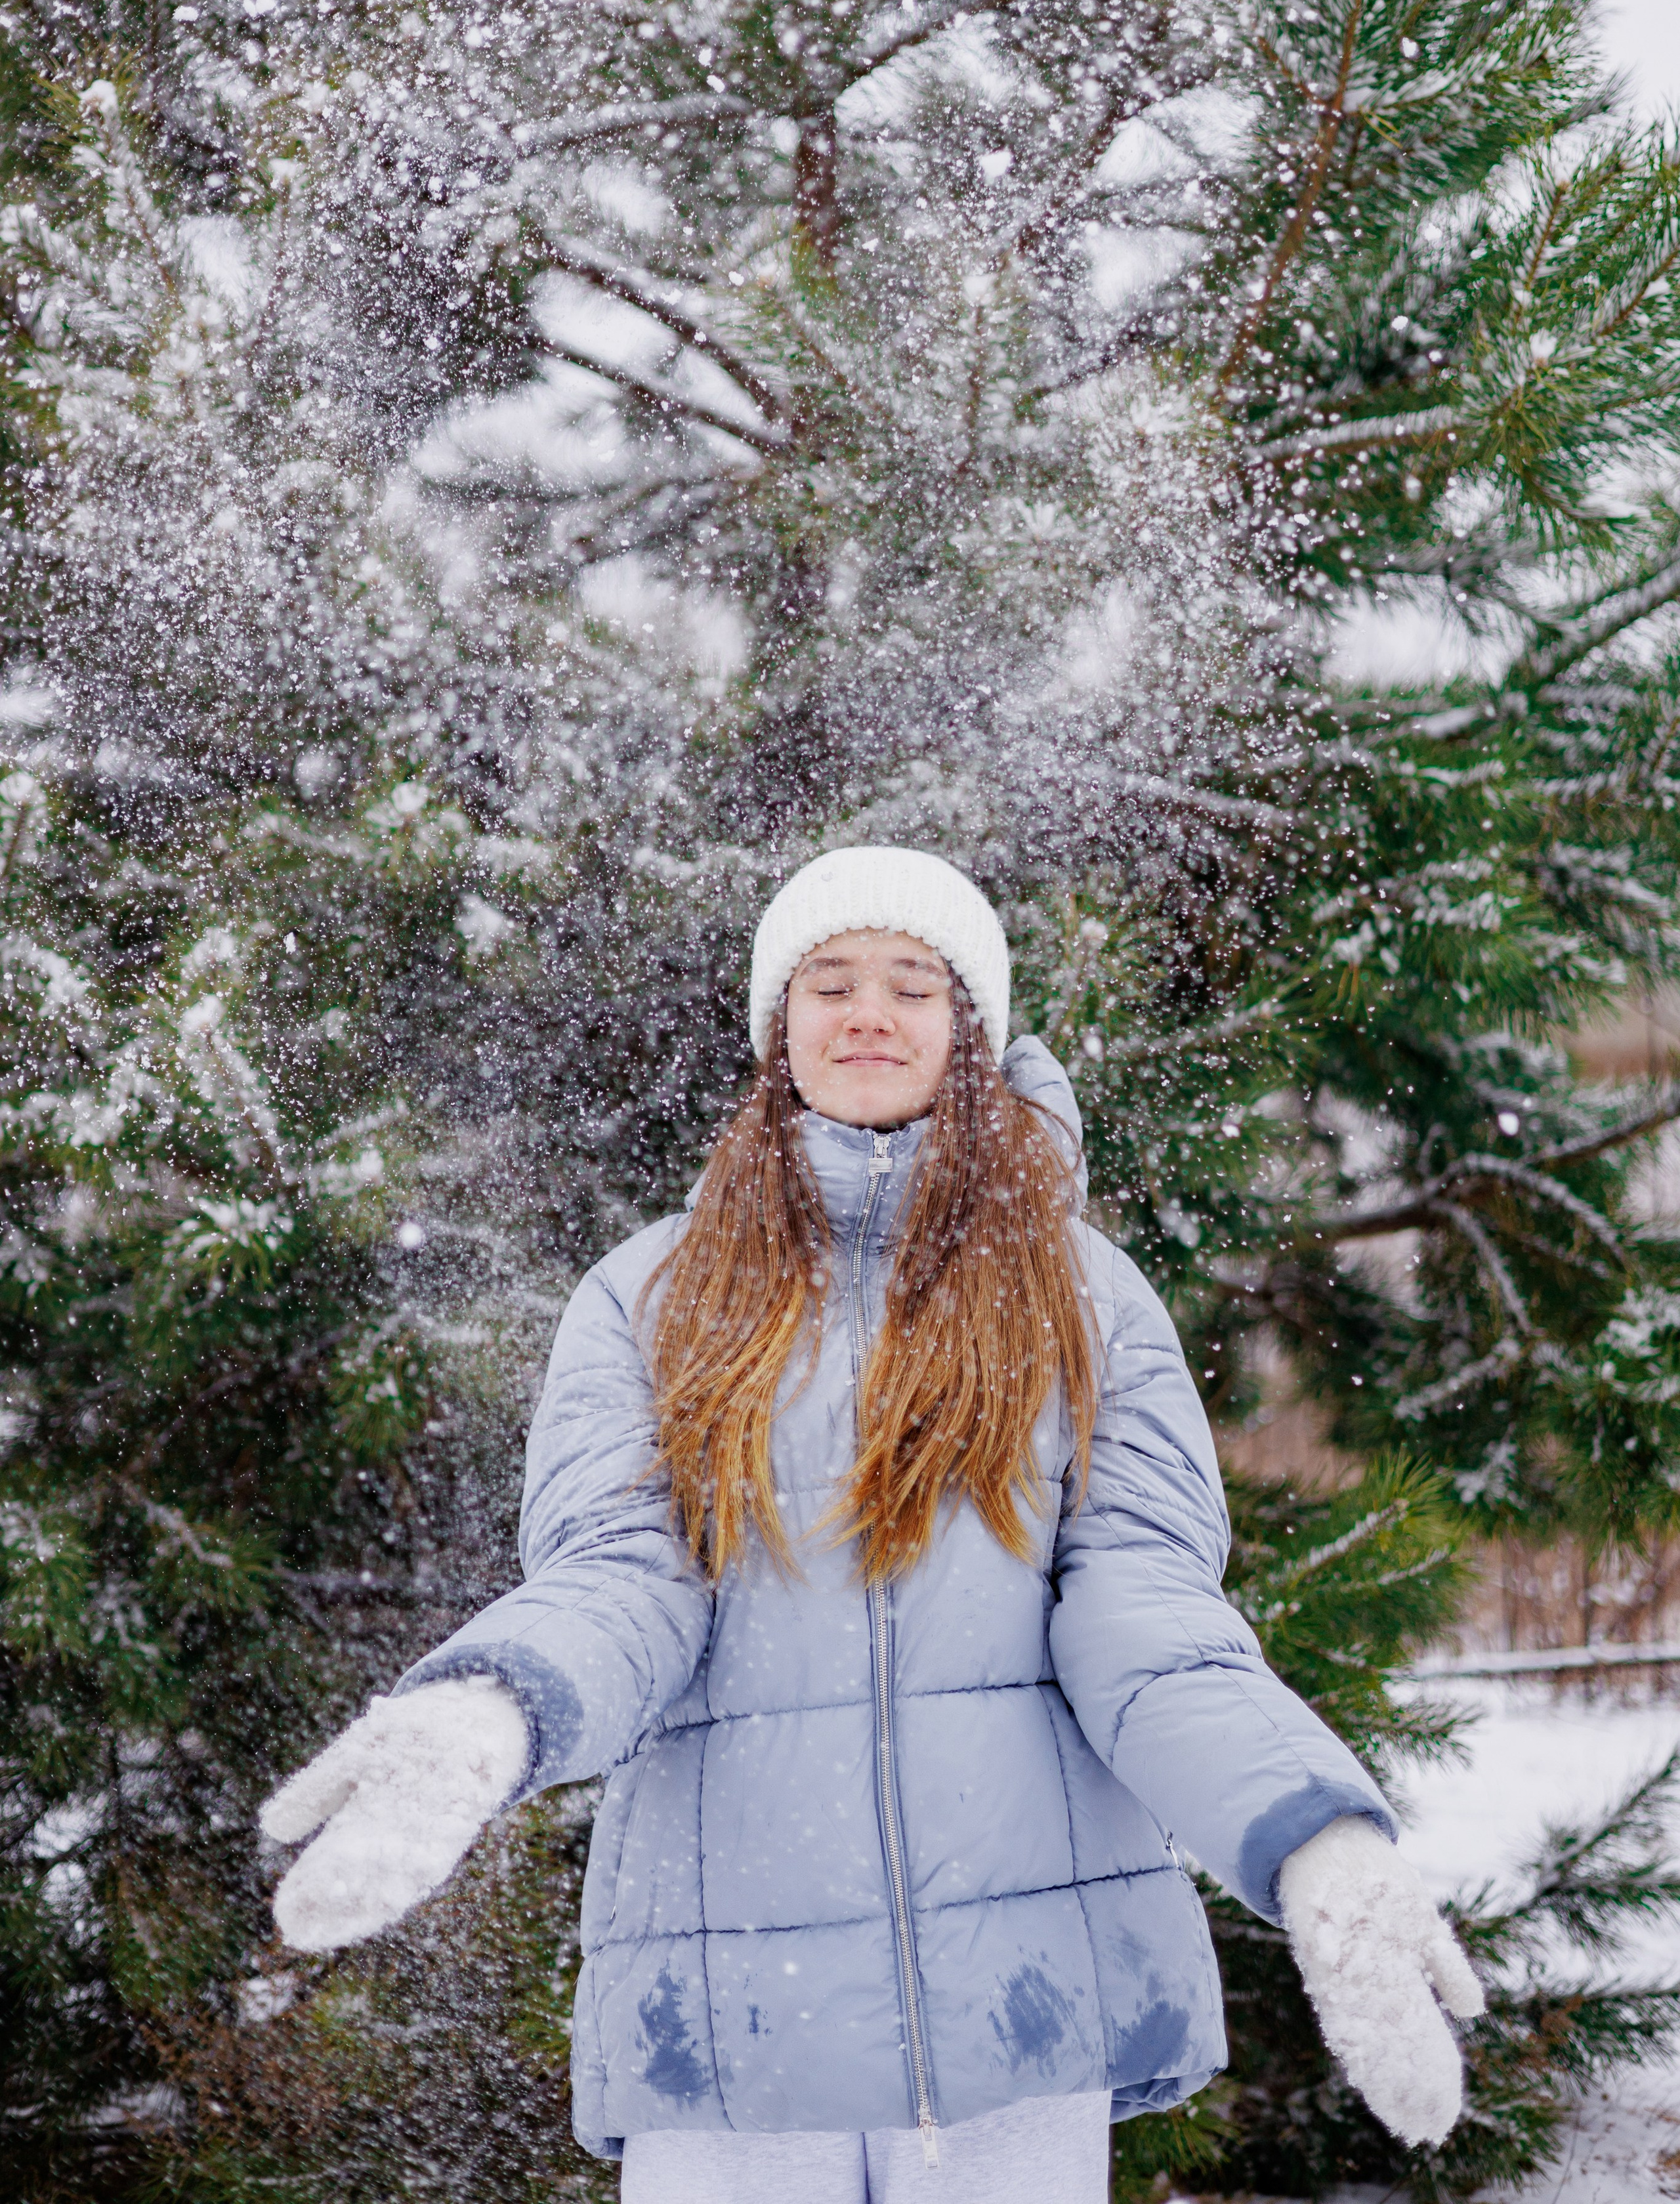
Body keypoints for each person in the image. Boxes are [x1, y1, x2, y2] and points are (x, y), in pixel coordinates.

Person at [262, 847, 1482, 2201]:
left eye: (913, 984)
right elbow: (623, 1581)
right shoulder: (651, 1298)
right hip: (729, 2027)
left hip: (1013, 2019)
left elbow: (1144, 1615)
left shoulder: (1085, 1298)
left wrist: (1308, 1837)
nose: (866, 1014)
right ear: (776, 1030)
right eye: (827, 982)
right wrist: (491, 1709)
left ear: (971, 1029)